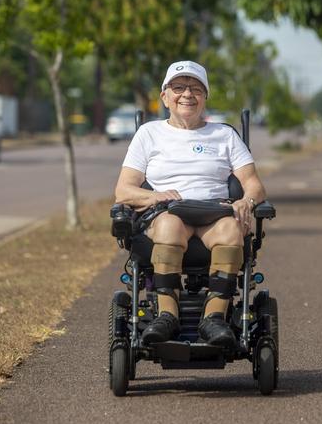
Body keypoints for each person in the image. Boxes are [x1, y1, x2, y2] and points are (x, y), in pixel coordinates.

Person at [114, 60, 266, 348]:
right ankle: (167, 316)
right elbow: (123, 190)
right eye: (179, 87)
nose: (187, 94)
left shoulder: (224, 135)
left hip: (215, 213)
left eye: (196, 88)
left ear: (205, 97)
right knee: (170, 226)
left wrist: (246, 201)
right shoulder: (149, 134)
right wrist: (155, 196)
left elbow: (254, 183)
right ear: (165, 97)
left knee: (233, 232)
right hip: (167, 214)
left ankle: (214, 318)